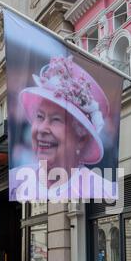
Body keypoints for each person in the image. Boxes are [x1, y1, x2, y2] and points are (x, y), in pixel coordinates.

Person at [9, 55, 117, 202]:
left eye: (56, 119)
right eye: (40, 117)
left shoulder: (104, 191)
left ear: (81, 139)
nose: (42, 129)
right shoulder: (15, 181)